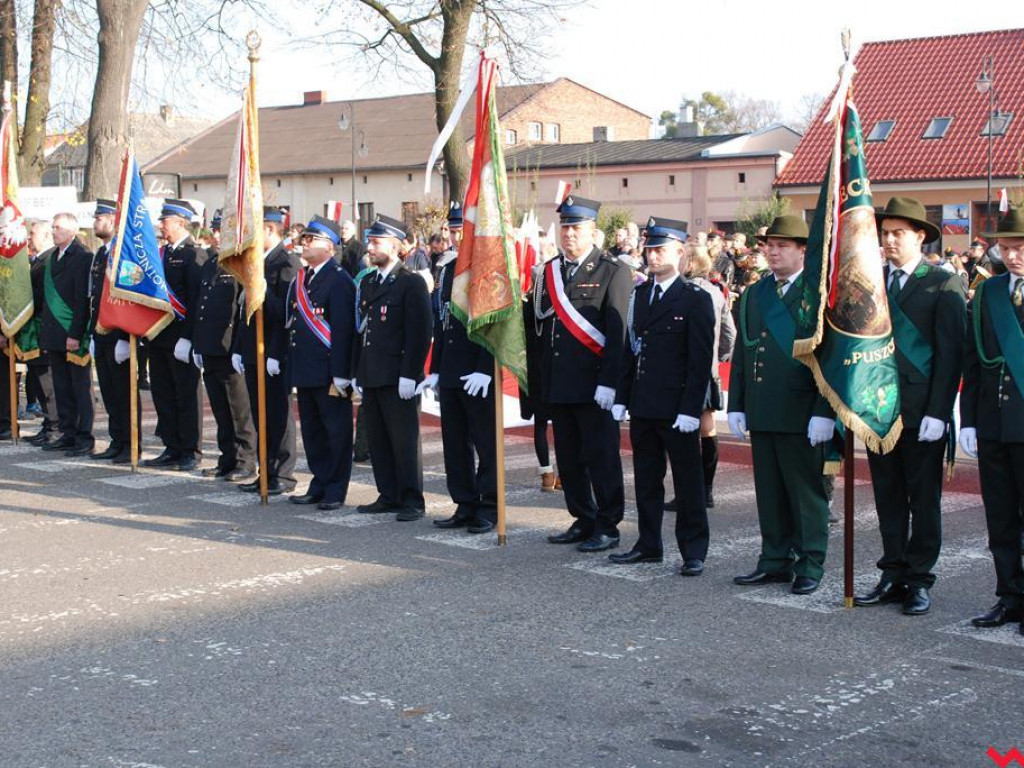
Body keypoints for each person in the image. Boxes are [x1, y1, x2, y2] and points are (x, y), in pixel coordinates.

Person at [853, 197, 967, 616]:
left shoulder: (942, 282)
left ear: (920, 235)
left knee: (923, 499)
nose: (889, 240)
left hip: (923, 411)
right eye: (885, 233)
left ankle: (919, 580)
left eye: (898, 232)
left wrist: (940, 411)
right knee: (888, 495)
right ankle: (892, 572)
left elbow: (951, 353)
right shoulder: (874, 282)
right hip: (881, 409)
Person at [729, 215, 836, 595]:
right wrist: (737, 403)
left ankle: (810, 563)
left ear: (803, 250)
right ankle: (774, 560)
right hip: (762, 407)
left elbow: (831, 357)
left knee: (807, 495)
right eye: (769, 245)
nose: (772, 252)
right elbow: (745, 351)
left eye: (782, 246)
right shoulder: (756, 293)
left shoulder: (819, 293)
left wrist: (825, 412)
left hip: (803, 412)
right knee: (770, 493)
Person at [609, 218, 714, 575]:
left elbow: (700, 362)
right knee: (646, 479)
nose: (653, 256)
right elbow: (630, 351)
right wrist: (622, 397)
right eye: (650, 249)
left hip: (677, 409)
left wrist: (691, 408)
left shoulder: (695, 298)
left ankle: (694, 549)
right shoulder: (640, 295)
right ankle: (648, 544)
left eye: (661, 249)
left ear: (681, 252)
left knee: (687, 482)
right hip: (644, 405)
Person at [534, 195, 632, 553]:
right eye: (565, 227)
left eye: (576, 227)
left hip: (594, 385)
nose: (569, 234)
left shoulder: (613, 270)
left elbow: (618, 333)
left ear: (593, 231)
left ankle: (608, 525)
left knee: (601, 458)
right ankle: (582, 517)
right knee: (570, 459)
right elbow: (543, 330)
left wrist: (611, 382)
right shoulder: (552, 271)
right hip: (560, 382)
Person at [959, 206, 1024, 636]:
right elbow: (976, 358)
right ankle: (1010, 595)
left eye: (1021, 246)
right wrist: (968, 419)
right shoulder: (989, 292)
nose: (1013, 255)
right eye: (1006, 246)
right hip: (995, 422)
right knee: (1000, 517)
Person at [420, 206, 498, 535]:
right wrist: (436, 368)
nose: (455, 236)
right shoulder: (449, 269)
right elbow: (445, 322)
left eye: (461, 229)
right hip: (452, 370)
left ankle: (490, 505)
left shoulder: (487, 268)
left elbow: (494, 324)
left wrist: (485, 368)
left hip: (477, 373)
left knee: (485, 442)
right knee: (455, 443)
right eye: (452, 230)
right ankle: (464, 503)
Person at [352, 214, 432, 521]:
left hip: (399, 375)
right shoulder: (370, 282)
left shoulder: (410, 283)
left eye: (375, 242)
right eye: (370, 241)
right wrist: (360, 371)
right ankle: (388, 493)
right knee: (379, 439)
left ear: (395, 246)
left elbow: (419, 332)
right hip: (373, 373)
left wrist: (410, 373)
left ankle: (412, 499)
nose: (369, 248)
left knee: (404, 440)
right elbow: (365, 331)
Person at [285, 216, 357, 511]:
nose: (304, 243)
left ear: (329, 246)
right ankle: (319, 482)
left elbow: (343, 330)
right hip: (305, 369)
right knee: (313, 432)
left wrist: (342, 373)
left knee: (336, 432)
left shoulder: (339, 280)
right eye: (304, 239)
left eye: (310, 239)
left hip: (329, 372)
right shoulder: (304, 278)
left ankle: (335, 488)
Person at [231, 207, 301, 492]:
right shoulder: (255, 263)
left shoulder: (287, 263)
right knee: (260, 415)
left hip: (273, 352)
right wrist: (237, 347)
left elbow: (284, 315)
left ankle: (282, 475)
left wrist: (275, 353)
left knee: (278, 414)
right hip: (251, 349)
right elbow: (243, 311)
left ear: (270, 231)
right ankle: (265, 472)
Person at [142, 200, 206, 472]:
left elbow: (195, 301)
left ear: (180, 222)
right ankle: (171, 446)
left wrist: (189, 337)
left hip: (180, 338)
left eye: (165, 221)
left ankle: (190, 449)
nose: (160, 225)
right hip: (158, 336)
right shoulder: (160, 254)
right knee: (163, 394)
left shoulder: (194, 255)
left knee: (186, 396)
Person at [192, 239, 255, 481]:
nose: (219, 237)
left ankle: (246, 460)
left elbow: (242, 311)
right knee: (220, 408)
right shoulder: (211, 263)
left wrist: (239, 347)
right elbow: (202, 305)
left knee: (239, 409)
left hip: (229, 347)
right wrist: (197, 343)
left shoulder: (242, 264)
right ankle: (227, 457)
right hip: (210, 346)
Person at [39, 212, 95, 456]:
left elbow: (82, 300)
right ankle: (67, 432)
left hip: (72, 333)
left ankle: (84, 437)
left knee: (79, 387)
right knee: (61, 386)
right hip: (53, 333)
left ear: (72, 230)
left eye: (58, 227)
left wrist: (75, 333)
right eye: (52, 227)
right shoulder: (53, 257)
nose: (53, 231)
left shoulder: (82, 257)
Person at [685, 244, 736, 507]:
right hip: (709, 370)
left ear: (691, 264)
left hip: (687, 371)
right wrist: (720, 358)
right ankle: (706, 491)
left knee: (689, 432)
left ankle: (694, 492)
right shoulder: (716, 292)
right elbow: (730, 333)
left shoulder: (686, 291)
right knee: (707, 428)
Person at [88, 200, 134, 463]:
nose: (96, 223)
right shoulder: (100, 254)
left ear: (114, 220)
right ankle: (117, 440)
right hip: (101, 332)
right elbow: (95, 297)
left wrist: (125, 338)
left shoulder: (123, 252)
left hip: (118, 334)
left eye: (100, 218)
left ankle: (130, 443)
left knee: (123, 392)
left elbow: (126, 299)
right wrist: (93, 334)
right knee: (108, 391)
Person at [23, 221, 59, 446]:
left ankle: (55, 427)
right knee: (38, 381)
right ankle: (48, 425)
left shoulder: (48, 261)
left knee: (48, 384)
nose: (29, 237)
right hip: (34, 332)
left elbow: (44, 297)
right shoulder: (38, 261)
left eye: (33, 233)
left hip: (43, 329)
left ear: (45, 235)